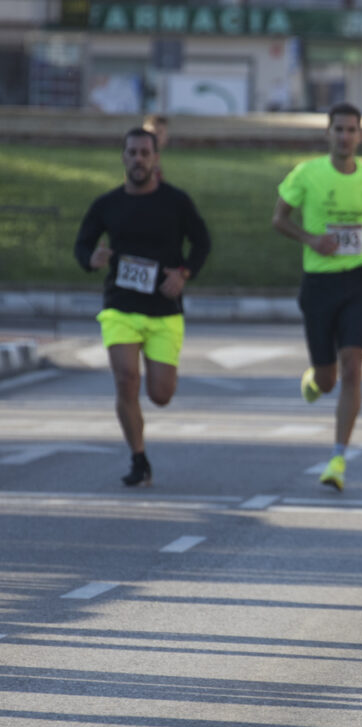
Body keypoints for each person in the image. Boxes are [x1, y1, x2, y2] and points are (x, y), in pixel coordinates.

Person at [271, 102, 362, 491]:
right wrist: (311, 238)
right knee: (329, 379)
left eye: (351, 130)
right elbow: (278, 219)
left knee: (353, 367)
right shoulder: (306, 174)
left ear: (360, 136)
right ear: (327, 133)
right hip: (318, 286)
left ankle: (338, 459)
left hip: (356, 284)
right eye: (339, 129)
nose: (345, 136)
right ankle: (315, 379)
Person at [72, 126, 211, 486]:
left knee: (161, 394)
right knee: (126, 379)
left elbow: (201, 242)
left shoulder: (175, 202)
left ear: (155, 158)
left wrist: (183, 273)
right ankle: (138, 459)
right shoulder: (107, 205)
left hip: (164, 309)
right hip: (121, 305)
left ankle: (144, 436)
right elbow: (82, 246)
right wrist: (92, 259)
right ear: (123, 157)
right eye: (131, 153)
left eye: (144, 153)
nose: (138, 159)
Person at [143, 114, 168, 181]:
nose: (155, 137)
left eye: (160, 132)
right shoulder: (141, 160)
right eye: (151, 133)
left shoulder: (155, 157)